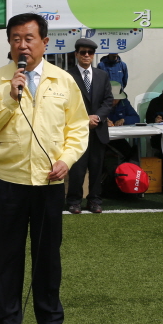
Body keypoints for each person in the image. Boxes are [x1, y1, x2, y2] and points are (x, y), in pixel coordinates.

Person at [0, 13, 88, 324]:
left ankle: (50, 323)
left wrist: (65, 161)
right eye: (15, 39)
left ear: (45, 42)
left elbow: (78, 128)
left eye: (28, 38)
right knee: (8, 258)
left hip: (50, 182)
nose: (21, 45)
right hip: (11, 183)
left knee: (47, 257)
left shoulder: (63, 80)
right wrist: (11, 97)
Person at [66, 38, 113, 215]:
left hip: (98, 129)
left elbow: (108, 100)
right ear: (76, 54)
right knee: (77, 168)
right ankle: (74, 201)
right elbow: (65, 102)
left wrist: (98, 117)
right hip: (77, 130)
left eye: (90, 53)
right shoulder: (67, 76)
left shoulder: (102, 75)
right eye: (83, 52)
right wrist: (84, 119)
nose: (87, 55)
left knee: (96, 167)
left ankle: (94, 200)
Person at [106, 83, 141, 164]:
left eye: (116, 99)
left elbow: (136, 118)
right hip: (103, 139)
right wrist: (104, 122)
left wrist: (124, 120)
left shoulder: (124, 103)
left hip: (118, 137)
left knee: (128, 151)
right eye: (112, 98)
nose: (114, 101)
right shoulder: (99, 103)